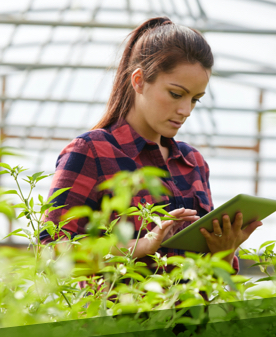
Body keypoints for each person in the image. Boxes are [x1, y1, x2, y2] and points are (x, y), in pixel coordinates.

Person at [40, 16, 262, 273]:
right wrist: (142, 245)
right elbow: (51, 252)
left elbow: (213, 279)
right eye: (176, 94)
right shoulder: (92, 152)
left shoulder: (193, 163)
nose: (185, 110)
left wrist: (224, 251)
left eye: (195, 99)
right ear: (139, 81)